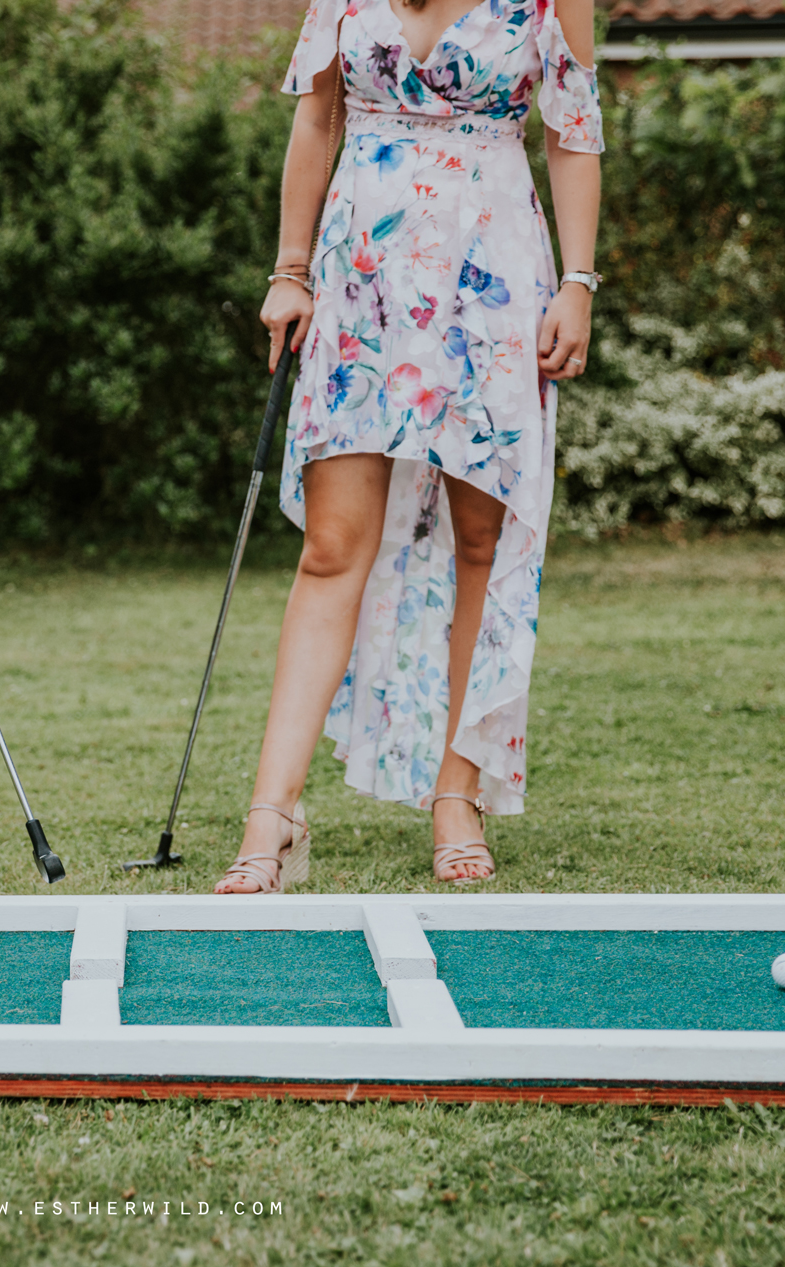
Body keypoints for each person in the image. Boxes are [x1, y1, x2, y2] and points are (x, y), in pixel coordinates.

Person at [216, 0, 603, 893]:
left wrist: (577, 283)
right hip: (361, 277)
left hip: (493, 274)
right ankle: (273, 814)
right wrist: (289, 268)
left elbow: (574, 130)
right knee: (330, 544)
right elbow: (317, 120)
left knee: (480, 540)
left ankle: (456, 794)